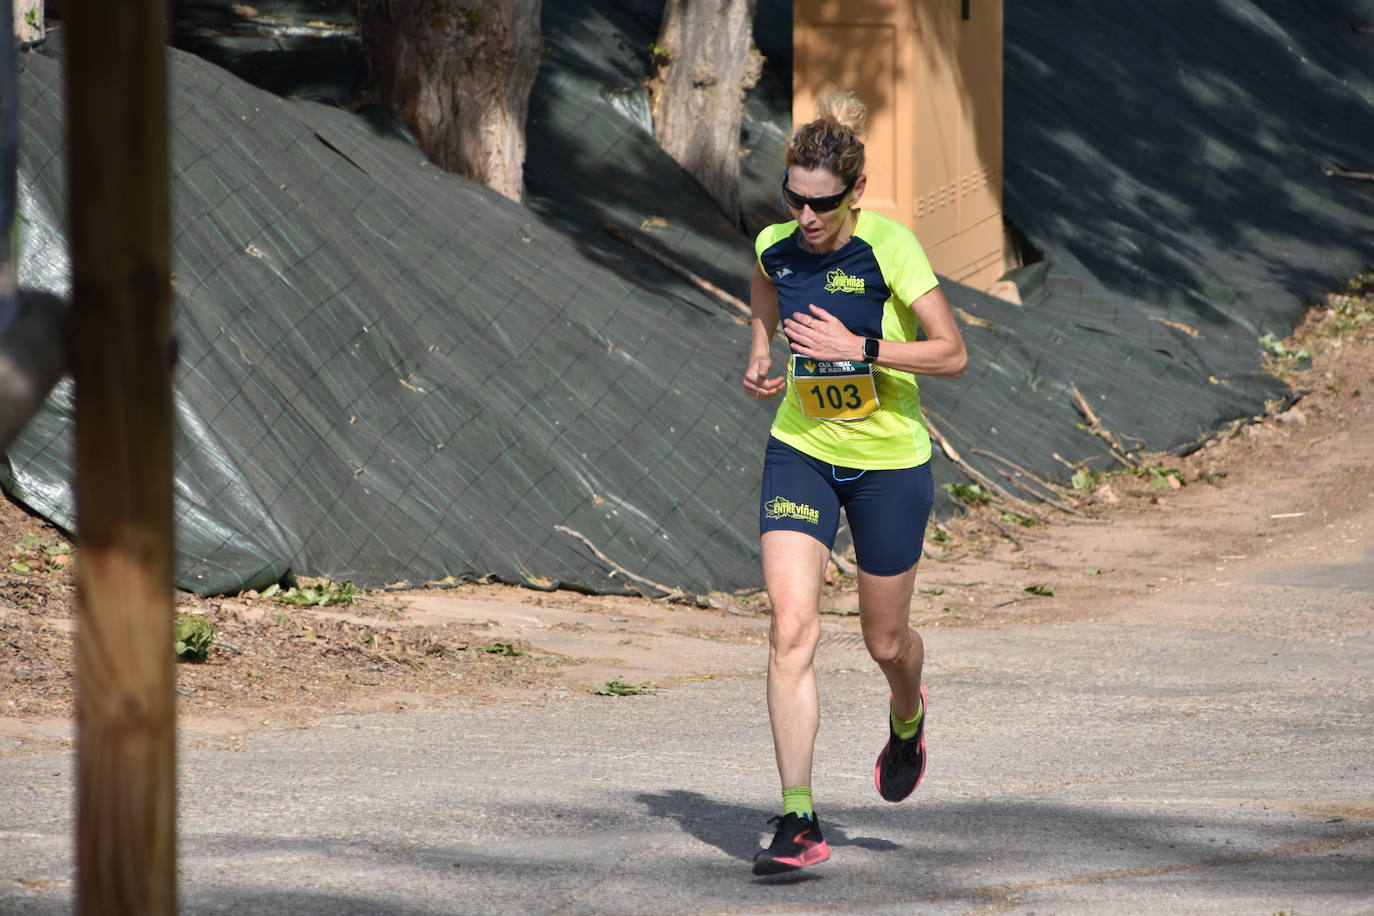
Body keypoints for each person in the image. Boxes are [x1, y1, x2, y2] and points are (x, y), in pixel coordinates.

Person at [741, 89, 967, 875]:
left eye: (823, 205)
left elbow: (951, 353)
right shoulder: (775, 243)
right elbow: (766, 289)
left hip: (889, 466)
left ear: (856, 193)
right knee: (790, 630)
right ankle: (797, 817)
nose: (806, 219)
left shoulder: (890, 248)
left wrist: (860, 345)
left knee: (884, 640)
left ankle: (908, 712)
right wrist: (762, 352)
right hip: (799, 451)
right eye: (794, 200)